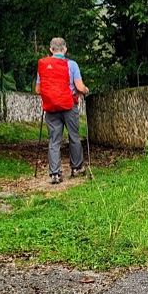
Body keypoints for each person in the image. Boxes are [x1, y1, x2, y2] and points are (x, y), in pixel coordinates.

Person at [35, 37, 89, 184]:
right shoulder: (72, 65)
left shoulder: (43, 66)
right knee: (74, 137)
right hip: (69, 106)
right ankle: (76, 168)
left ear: (51, 50)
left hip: (51, 108)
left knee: (54, 141)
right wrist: (85, 90)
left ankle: (55, 174)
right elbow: (79, 87)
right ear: (65, 49)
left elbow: (38, 89)